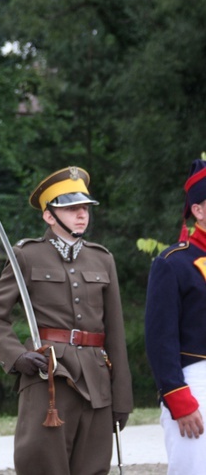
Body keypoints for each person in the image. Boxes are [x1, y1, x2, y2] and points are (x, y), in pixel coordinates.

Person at [0, 166, 133, 475]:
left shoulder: (102, 259)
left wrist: (122, 397)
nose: (82, 214)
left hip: (97, 380)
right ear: (49, 216)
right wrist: (16, 356)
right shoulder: (27, 255)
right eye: (71, 208)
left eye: (85, 208)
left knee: (93, 468)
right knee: (42, 466)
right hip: (48, 377)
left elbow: (115, 333)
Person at [145, 159, 206, 473]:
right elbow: (160, 340)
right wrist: (177, 398)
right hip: (194, 384)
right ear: (198, 210)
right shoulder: (172, 263)